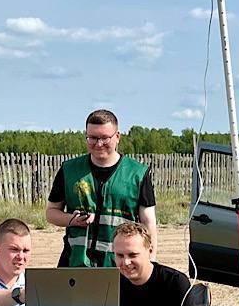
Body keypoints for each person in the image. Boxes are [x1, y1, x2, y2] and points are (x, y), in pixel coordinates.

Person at [45, 109, 158, 267]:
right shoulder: (69, 170)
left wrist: (150, 263)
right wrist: (72, 220)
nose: (98, 144)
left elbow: (148, 222)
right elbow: (51, 213)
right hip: (75, 263)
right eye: (92, 138)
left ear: (117, 137)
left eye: (105, 138)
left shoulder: (137, 174)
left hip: (120, 265)